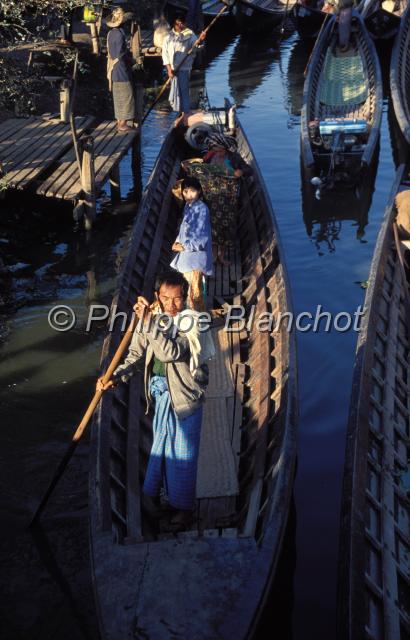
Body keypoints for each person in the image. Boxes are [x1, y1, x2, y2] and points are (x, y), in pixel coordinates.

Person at [96, 271, 213, 528]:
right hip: (161, 396)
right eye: (166, 299)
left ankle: (185, 511)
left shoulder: (193, 322)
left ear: (185, 298)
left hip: (186, 400)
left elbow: (169, 352)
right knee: (163, 453)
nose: (172, 305)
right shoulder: (152, 319)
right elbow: (136, 355)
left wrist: (147, 322)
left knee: (183, 457)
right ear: (157, 298)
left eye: (178, 299)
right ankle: (166, 502)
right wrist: (114, 376)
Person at [202, 131, 251, 264]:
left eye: (220, 150)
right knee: (212, 226)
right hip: (212, 197)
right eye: (215, 150)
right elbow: (202, 170)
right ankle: (213, 255)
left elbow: (247, 169)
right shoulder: (209, 157)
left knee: (227, 226)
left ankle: (222, 256)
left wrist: (239, 172)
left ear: (225, 148)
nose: (218, 153)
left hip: (229, 198)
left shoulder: (234, 157)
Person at [170, 177, 213, 311]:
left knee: (195, 295)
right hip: (186, 258)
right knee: (189, 293)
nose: (188, 195)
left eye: (192, 191)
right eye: (185, 191)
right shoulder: (188, 207)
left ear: (199, 191)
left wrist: (184, 247)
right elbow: (184, 229)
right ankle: (192, 318)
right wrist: (176, 241)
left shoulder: (202, 209)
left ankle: (199, 322)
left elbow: (202, 238)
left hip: (194, 260)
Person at [161, 14, 206, 123]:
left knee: (184, 90)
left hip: (184, 67)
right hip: (173, 68)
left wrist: (200, 40)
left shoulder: (189, 34)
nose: (180, 25)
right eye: (178, 23)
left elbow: (196, 46)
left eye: (182, 23)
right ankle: (179, 112)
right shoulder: (168, 37)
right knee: (176, 91)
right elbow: (165, 54)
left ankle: (186, 112)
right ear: (174, 24)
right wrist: (169, 69)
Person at [106, 7, 135, 133]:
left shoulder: (110, 33)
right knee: (127, 94)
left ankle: (119, 120)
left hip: (113, 67)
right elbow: (121, 54)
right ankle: (122, 123)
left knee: (118, 94)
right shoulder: (119, 34)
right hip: (120, 67)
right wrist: (130, 60)